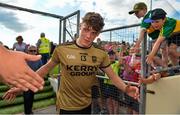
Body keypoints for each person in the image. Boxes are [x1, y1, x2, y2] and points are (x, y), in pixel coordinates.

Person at [3, 12, 139, 114]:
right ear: (80, 26)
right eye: (86, 29)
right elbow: (45, 69)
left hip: (86, 105)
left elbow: (113, 76)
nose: (88, 36)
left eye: (93, 33)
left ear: (98, 34)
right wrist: (21, 87)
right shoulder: (62, 49)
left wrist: (126, 88)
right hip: (66, 106)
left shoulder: (100, 53)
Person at [129, 2, 168, 68]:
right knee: (163, 54)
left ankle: (166, 69)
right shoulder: (148, 17)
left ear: (144, 10)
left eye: (137, 12)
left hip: (160, 37)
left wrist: (138, 44)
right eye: (134, 13)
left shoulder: (149, 16)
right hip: (158, 38)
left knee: (153, 56)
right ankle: (165, 69)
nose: (135, 14)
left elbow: (143, 30)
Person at [23, 45, 43, 114]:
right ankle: (27, 112)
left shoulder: (38, 59)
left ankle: (30, 110)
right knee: (26, 98)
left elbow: (41, 69)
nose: (33, 52)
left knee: (31, 97)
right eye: (31, 51)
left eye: (34, 51)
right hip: (26, 81)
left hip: (34, 81)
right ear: (28, 51)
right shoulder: (25, 59)